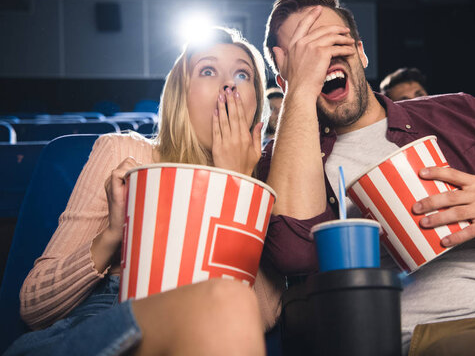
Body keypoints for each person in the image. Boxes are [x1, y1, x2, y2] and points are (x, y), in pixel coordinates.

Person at [258, 0, 475, 355]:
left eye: (330, 42)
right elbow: (295, 253)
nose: (320, 57)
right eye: (304, 54)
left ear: (360, 51)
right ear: (285, 80)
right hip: (443, 336)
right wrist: (300, 88)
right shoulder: (280, 163)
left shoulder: (463, 113)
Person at [5, 27, 283, 356]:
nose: (228, 83)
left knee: (229, 300)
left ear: (256, 107)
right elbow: (33, 305)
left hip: (200, 337)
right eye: (208, 70)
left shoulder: (263, 190)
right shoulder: (125, 152)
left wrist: (235, 183)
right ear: (182, 94)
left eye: (243, 74)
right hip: (101, 324)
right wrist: (113, 234)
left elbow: (259, 317)